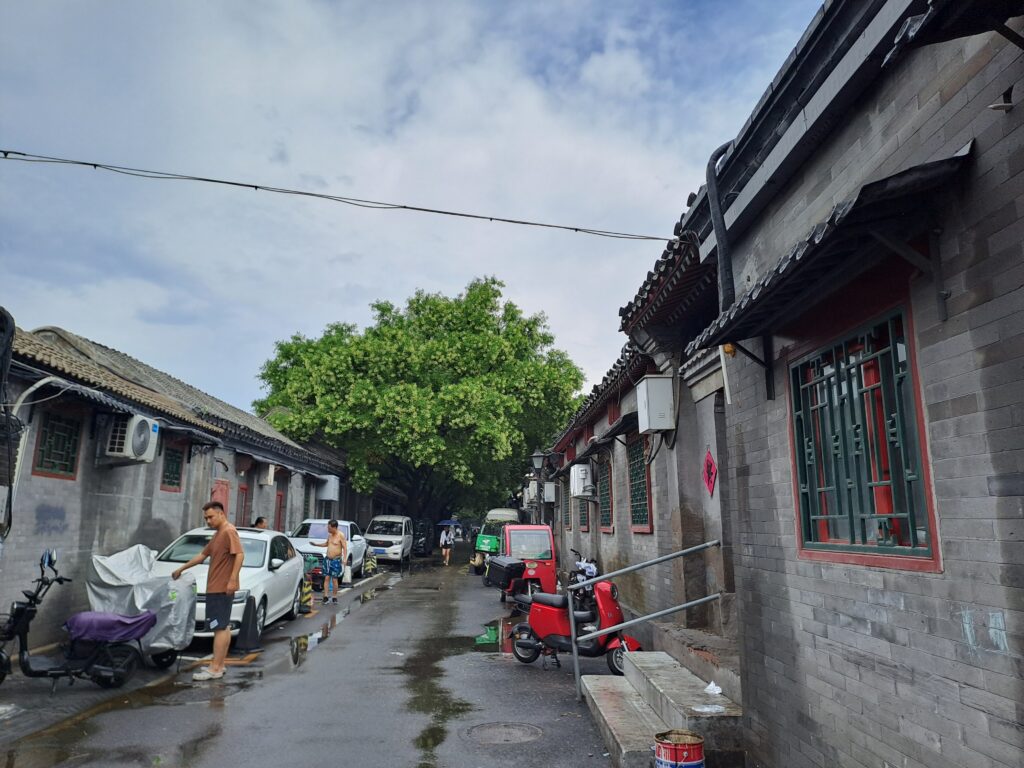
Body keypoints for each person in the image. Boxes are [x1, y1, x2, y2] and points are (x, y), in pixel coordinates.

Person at [172, 501, 243, 681]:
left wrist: (232, 579)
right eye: (206, 518)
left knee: (218, 628)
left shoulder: (228, 531)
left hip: (221, 588)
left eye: (211, 517)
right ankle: (220, 664)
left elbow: (240, 555)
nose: (208, 521)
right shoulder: (218, 534)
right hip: (216, 587)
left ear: (221, 514)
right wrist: (182, 568)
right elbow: (202, 555)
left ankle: (215, 668)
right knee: (223, 627)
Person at [311, 520, 347, 603]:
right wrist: (316, 544)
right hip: (327, 559)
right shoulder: (330, 535)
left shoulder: (341, 535)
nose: (328, 529)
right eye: (328, 528)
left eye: (329, 528)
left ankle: (334, 596)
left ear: (334, 527)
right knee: (326, 578)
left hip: (335, 560)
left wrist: (344, 559)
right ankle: (326, 596)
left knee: (334, 579)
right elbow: (326, 544)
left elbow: (345, 548)